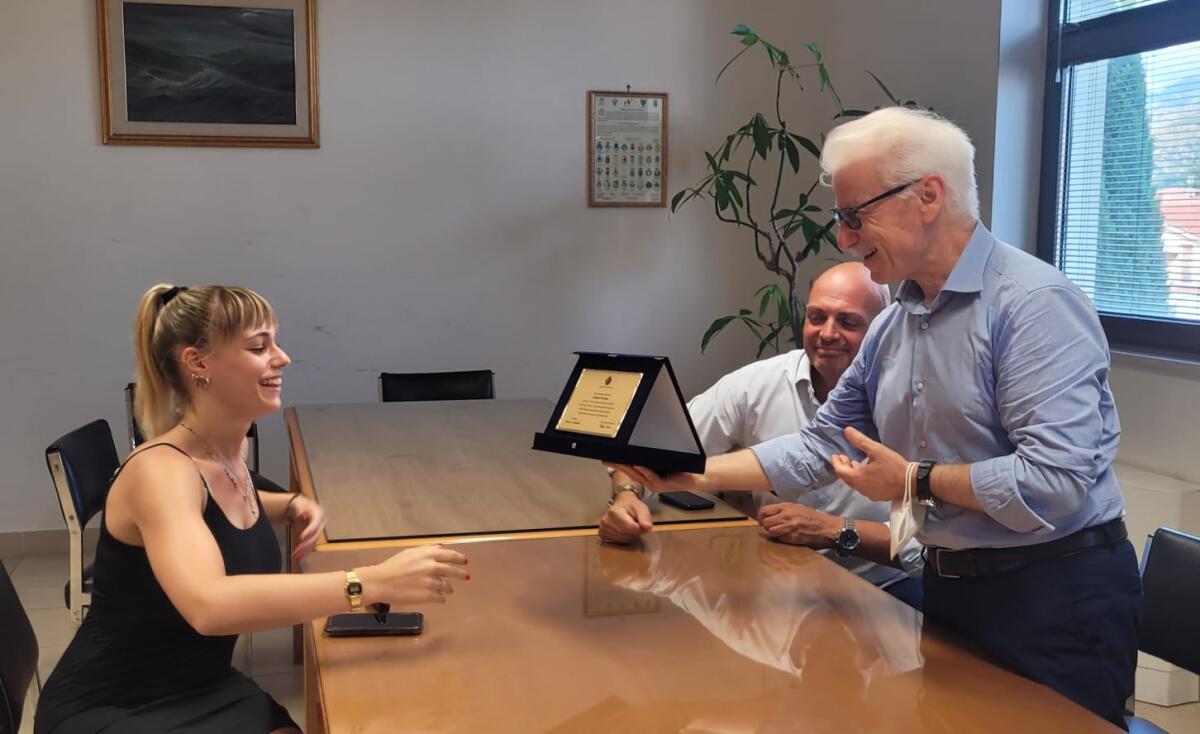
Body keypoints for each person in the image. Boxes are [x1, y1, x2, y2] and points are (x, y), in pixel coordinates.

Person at [608, 107, 1140, 729]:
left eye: (855, 216)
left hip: (1056, 597)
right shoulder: (896, 320)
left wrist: (916, 479)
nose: (844, 239)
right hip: (952, 589)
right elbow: (818, 444)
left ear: (929, 196)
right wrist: (688, 473)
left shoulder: (1032, 306)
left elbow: (1054, 481)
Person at [36, 284, 470, 734]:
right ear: (198, 363)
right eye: (259, 347)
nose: (281, 358)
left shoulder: (224, 452)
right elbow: (210, 605)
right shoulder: (160, 471)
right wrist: (368, 582)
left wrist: (289, 504)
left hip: (200, 682)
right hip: (115, 702)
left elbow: (216, 503)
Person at [601, 262, 923, 607]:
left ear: (883, 330)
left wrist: (832, 528)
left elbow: (924, 546)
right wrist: (627, 496)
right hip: (779, 576)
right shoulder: (757, 384)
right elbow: (648, 451)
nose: (827, 333)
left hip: (885, 586)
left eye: (847, 321)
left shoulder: (919, 400)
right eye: (817, 317)